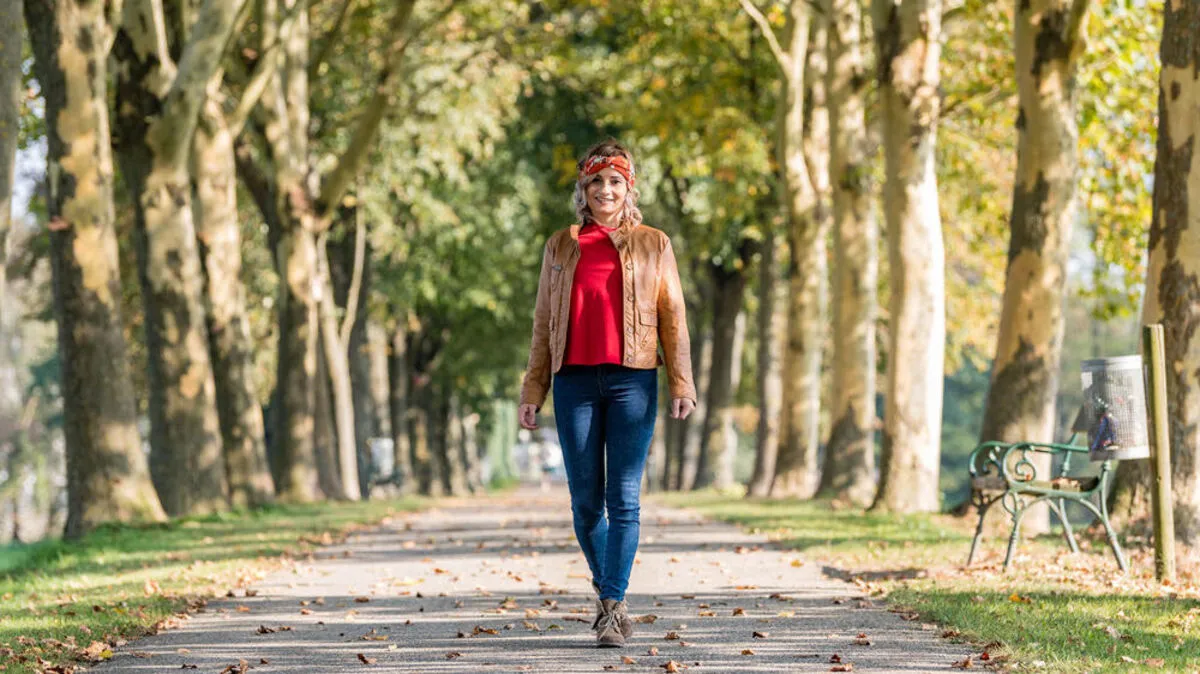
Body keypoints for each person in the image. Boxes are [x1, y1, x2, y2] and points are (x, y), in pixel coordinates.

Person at [517, 139, 697, 648]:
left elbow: (673, 316)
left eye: (615, 181)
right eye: (596, 181)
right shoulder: (560, 246)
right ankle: (608, 592)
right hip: (572, 381)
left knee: (624, 499)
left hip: (631, 380)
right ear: (583, 189)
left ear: (629, 187)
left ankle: (613, 607)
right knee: (584, 503)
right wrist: (533, 388)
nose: (605, 190)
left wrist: (681, 381)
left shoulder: (654, 243)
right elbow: (543, 322)